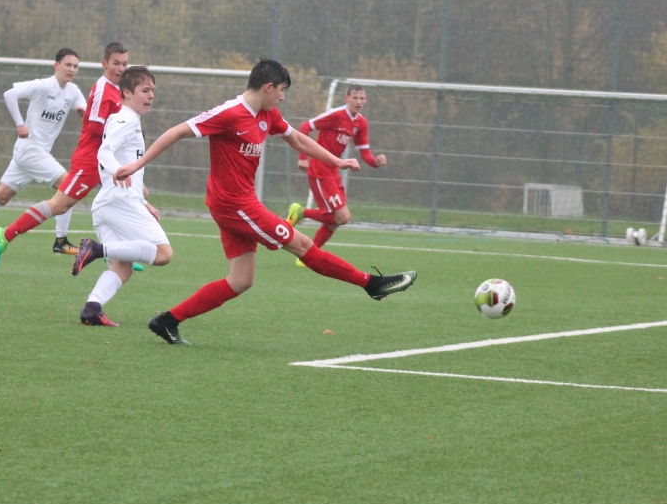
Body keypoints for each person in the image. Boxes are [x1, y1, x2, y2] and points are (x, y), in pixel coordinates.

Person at [109, 59, 416, 345]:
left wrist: (337, 160)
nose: (282, 98)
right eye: (281, 91)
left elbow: (297, 138)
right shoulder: (230, 113)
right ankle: (371, 284)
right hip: (234, 205)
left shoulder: (268, 114)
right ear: (269, 87)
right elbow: (176, 132)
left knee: (241, 280)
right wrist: (137, 165)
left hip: (238, 203)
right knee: (302, 244)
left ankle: (167, 321)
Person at [0, 42, 129, 269]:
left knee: (125, 197)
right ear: (105, 64)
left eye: (124, 64)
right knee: (59, 205)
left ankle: (120, 253)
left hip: (106, 161)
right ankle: (4, 235)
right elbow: (96, 127)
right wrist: (122, 132)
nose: (121, 68)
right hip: (89, 161)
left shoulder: (116, 91)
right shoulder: (103, 89)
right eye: (116, 63)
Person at [0, 48, 86, 256]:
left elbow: (83, 107)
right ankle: (61, 241)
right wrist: (20, 124)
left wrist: (83, 111)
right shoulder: (43, 85)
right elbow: (9, 94)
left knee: (1, 197)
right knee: (69, 187)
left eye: (75, 66)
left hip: (32, 152)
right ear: (56, 65)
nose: (72, 69)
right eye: (68, 65)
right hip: (30, 150)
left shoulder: (72, 90)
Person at [70, 66, 173, 327]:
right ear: (127, 92)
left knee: (122, 267)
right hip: (120, 202)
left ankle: (92, 308)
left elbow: (118, 158)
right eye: (145, 90)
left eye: (153, 90)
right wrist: (117, 170)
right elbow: (104, 152)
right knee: (163, 254)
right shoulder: (127, 121)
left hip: (108, 204)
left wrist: (143, 200)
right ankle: (95, 249)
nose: (151, 96)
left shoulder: (121, 118)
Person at [286, 85, 386, 262]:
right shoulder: (336, 115)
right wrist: (303, 157)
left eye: (362, 98)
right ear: (347, 98)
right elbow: (305, 126)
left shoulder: (361, 123)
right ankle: (301, 213)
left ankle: (307, 256)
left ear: (366, 100)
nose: (359, 102)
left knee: (338, 219)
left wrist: (375, 162)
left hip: (333, 170)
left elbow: (365, 153)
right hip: (320, 169)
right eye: (355, 98)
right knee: (342, 217)